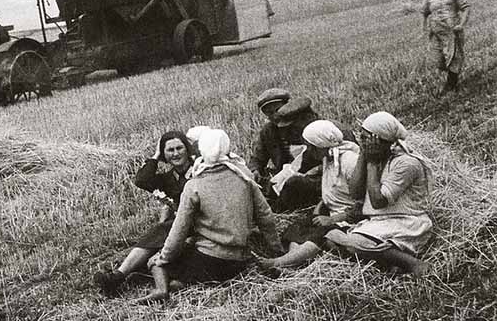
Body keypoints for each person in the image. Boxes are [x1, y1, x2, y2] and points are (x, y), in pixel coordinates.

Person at [136, 129, 283, 303]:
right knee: (185, 275)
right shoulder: (245, 176)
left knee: (154, 263)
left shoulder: (194, 185)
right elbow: (265, 217)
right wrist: (277, 251)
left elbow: (179, 230)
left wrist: (163, 258)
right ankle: (183, 283)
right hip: (240, 260)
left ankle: (161, 289)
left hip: (208, 259)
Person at [325, 112, 433, 276]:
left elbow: (378, 201)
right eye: (362, 138)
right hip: (378, 223)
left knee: (354, 243)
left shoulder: (407, 163)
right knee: (331, 239)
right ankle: (390, 263)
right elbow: (355, 193)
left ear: (383, 141)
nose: (364, 143)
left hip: (405, 222)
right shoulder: (374, 158)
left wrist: (372, 163)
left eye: (368, 139)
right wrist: (363, 155)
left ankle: (413, 263)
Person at [94, 131, 194, 295]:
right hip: (178, 226)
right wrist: (155, 156)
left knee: (160, 231)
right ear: (164, 154)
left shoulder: (198, 169)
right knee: (159, 235)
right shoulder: (169, 178)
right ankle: (121, 276)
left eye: (179, 148)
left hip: (198, 224)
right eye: (170, 150)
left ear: (187, 149)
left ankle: (118, 276)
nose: (176, 154)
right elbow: (142, 180)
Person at [259, 120, 361, 270]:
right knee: (297, 227)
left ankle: (279, 263)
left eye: (311, 147)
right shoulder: (328, 158)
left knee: (322, 233)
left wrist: (333, 219)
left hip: (349, 219)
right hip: (333, 211)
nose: (309, 151)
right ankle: (291, 261)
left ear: (320, 145)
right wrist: (322, 206)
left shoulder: (350, 162)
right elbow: (332, 191)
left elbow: (363, 204)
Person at [422, 0, 470, 93]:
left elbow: (465, 8)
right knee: (437, 59)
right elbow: (425, 13)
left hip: (452, 31)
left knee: (454, 56)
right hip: (436, 32)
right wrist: (424, 28)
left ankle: (451, 85)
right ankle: (452, 78)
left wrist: (461, 24)